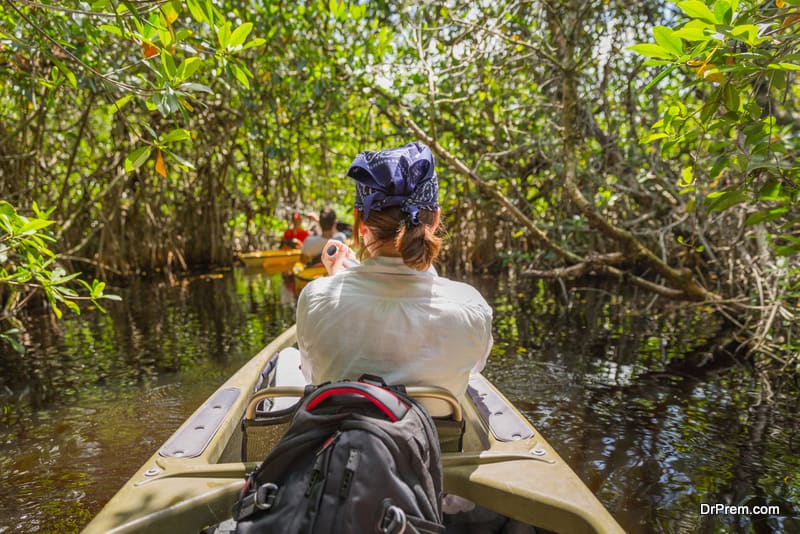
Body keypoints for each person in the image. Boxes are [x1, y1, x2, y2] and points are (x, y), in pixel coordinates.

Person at [295, 141, 493, 414]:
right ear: (434, 219)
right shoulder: (471, 305)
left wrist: (334, 281)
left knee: (285, 359)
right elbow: (472, 370)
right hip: (433, 450)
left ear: (360, 222)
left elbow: (312, 376)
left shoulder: (316, 297)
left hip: (342, 447)